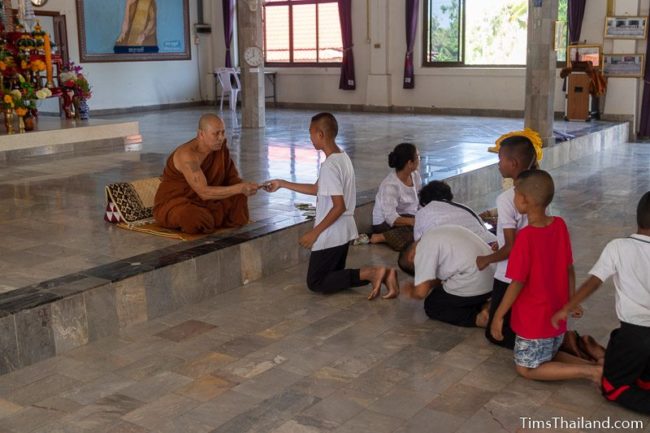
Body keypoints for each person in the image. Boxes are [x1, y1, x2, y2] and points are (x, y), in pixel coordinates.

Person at [264, 113, 399, 300]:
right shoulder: (341, 158)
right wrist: (282, 183)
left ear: (320, 134)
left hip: (332, 232)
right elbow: (317, 188)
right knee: (332, 276)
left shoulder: (330, 166)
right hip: (342, 231)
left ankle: (372, 274)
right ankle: (379, 275)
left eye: (310, 133)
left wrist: (314, 233)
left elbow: (338, 206)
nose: (309, 138)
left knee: (316, 282)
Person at [490, 170, 601, 383]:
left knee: (525, 369)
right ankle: (595, 366)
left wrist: (498, 315)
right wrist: (571, 301)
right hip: (557, 315)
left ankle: (590, 373)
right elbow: (569, 268)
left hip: (534, 320)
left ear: (524, 201)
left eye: (515, 194)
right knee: (548, 353)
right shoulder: (559, 225)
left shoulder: (525, 238)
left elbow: (517, 283)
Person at [552, 191, 650, 414]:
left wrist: (568, 306)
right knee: (638, 370)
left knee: (611, 386)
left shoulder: (618, 247)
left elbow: (593, 283)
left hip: (635, 335)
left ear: (638, 216)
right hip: (636, 340)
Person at [477, 131, 541, 349]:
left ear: (513, 163)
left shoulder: (506, 199)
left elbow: (512, 246)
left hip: (510, 273)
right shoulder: (538, 188)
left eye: (500, 159)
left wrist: (487, 259)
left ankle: (551, 347)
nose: (498, 164)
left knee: (497, 334)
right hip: (532, 267)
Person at [153, 114, 259, 234]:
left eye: (223, 132)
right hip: (178, 202)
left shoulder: (220, 149)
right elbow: (203, 192)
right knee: (192, 216)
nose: (221, 138)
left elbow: (231, 178)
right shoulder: (187, 156)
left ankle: (213, 218)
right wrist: (238, 188)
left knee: (239, 196)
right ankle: (211, 219)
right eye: (216, 134)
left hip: (209, 201)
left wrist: (243, 187)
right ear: (201, 134)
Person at [399, 225, 494, 328]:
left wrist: (411, 292)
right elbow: (438, 280)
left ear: (411, 257)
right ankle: (486, 305)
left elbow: (421, 293)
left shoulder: (422, 250)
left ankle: (477, 319)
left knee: (433, 304)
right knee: (446, 291)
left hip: (477, 280)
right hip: (494, 277)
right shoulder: (434, 233)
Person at [369, 142, 422, 251]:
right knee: (416, 237)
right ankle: (380, 237)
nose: (419, 160)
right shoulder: (390, 185)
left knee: (428, 228)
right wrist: (415, 222)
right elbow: (391, 218)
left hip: (407, 217)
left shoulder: (415, 176)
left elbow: (419, 202)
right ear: (409, 163)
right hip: (385, 223)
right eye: (417, 157)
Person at [414, 180, 496, 246]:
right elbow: (483, 228)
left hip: (469, 256)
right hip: (494, 245)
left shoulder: (423, 212)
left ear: (424, 202)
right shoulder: (464, 208)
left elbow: (418, 245)